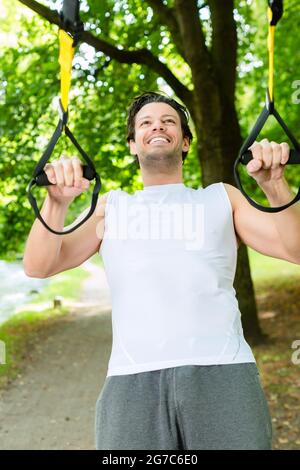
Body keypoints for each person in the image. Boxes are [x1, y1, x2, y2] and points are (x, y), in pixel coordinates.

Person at [23, 91, 300, 450]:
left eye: (168, 121)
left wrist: (274, 185)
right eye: (146, 123)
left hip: (223, 371)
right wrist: (55, 202)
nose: (157, 126)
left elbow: (295, 249)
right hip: (131, 379)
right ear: (132, 145)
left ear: (184, 142)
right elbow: (38, 265)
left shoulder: (221, 198)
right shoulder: (111, 208)